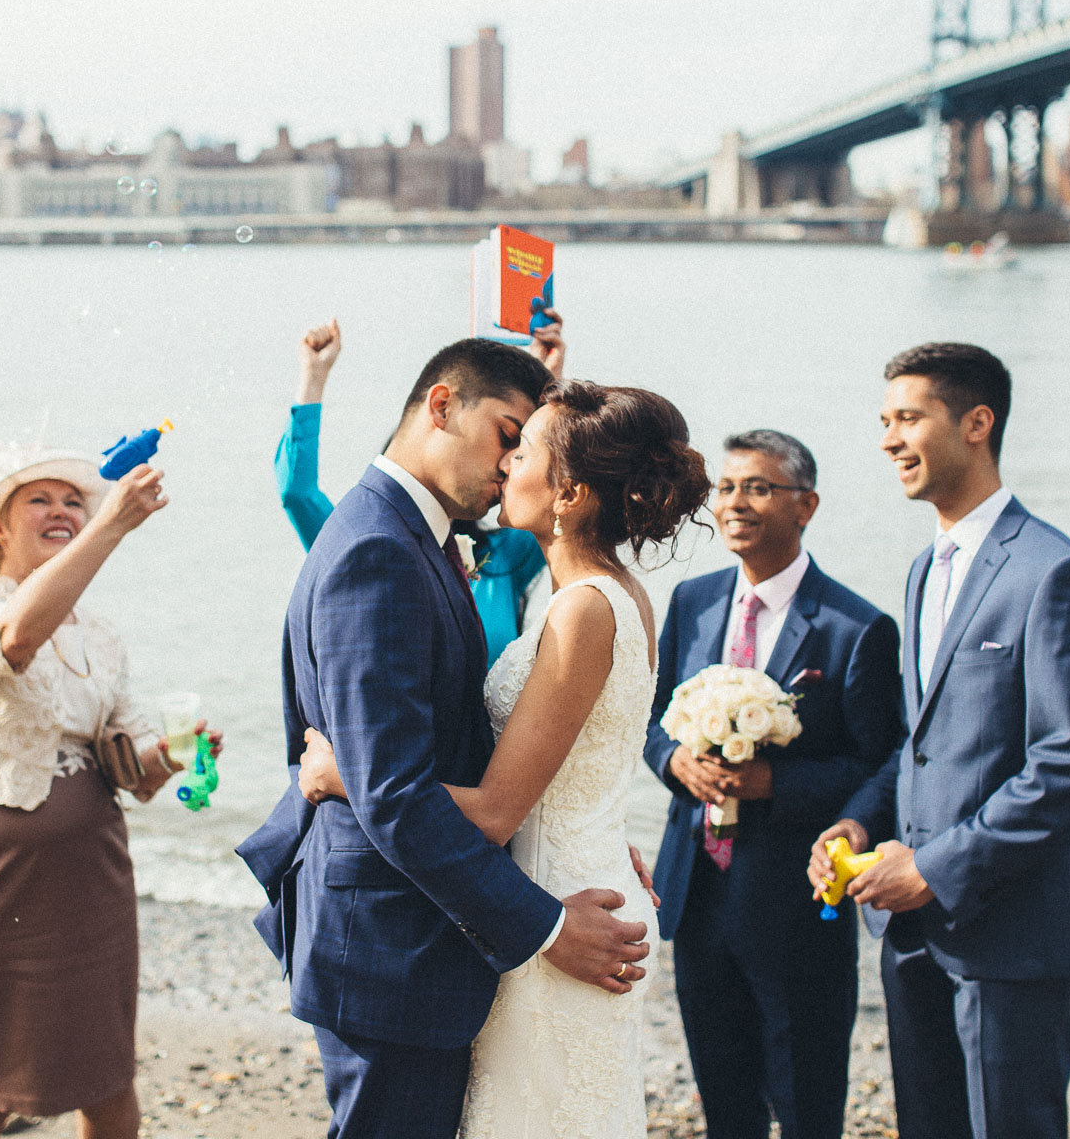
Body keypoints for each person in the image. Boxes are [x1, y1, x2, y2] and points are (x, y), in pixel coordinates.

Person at [235, 342, 664, 1139]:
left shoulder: (423, 539)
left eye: (522, 445)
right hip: (391, 946)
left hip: (441, 930)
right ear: (441, 407)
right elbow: (396, 794)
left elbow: (441, 764)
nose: (509, 465)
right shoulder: (379, 549)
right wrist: (545, 923)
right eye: (509, 434)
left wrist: (579, 832)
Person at [809, 343, 1070, 1139]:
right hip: (915, 938)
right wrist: (859, 822)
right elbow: (920, 740)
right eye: (884, 421)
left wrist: (934, 869)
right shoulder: (923, 569)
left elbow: (1069, 763)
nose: (887, 440)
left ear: (977, 423)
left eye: (908, 418)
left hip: (1014, 936)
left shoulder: (1054, 573)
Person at [0, 444, 221, 1139]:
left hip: (91, 877)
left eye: (73, 502)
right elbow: (17, 637)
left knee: (107, 1079)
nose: (61, 510)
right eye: (40, 499)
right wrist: (107, 527)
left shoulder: (103, 637)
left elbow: (135, 774)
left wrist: (176, 754)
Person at [643, 430, 904, 1139]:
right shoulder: (692, 603)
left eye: (758, 488)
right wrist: (674, 763)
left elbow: (884, 764)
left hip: (796, 900)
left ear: (805, 505)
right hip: (697, 892)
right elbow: (652, 722)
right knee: (722, 1094)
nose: (736, 503)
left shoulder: (856, 628)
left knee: (807, 1096)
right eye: (727, 488)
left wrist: (772, 784)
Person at [273, 313, 565, 663]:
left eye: (517, 451)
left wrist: (549, 393)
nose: (507, 465)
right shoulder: (367, 546)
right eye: (505, 438)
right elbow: (297, 492)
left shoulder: (503, 556)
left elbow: (557, 508)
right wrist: (313, 377)